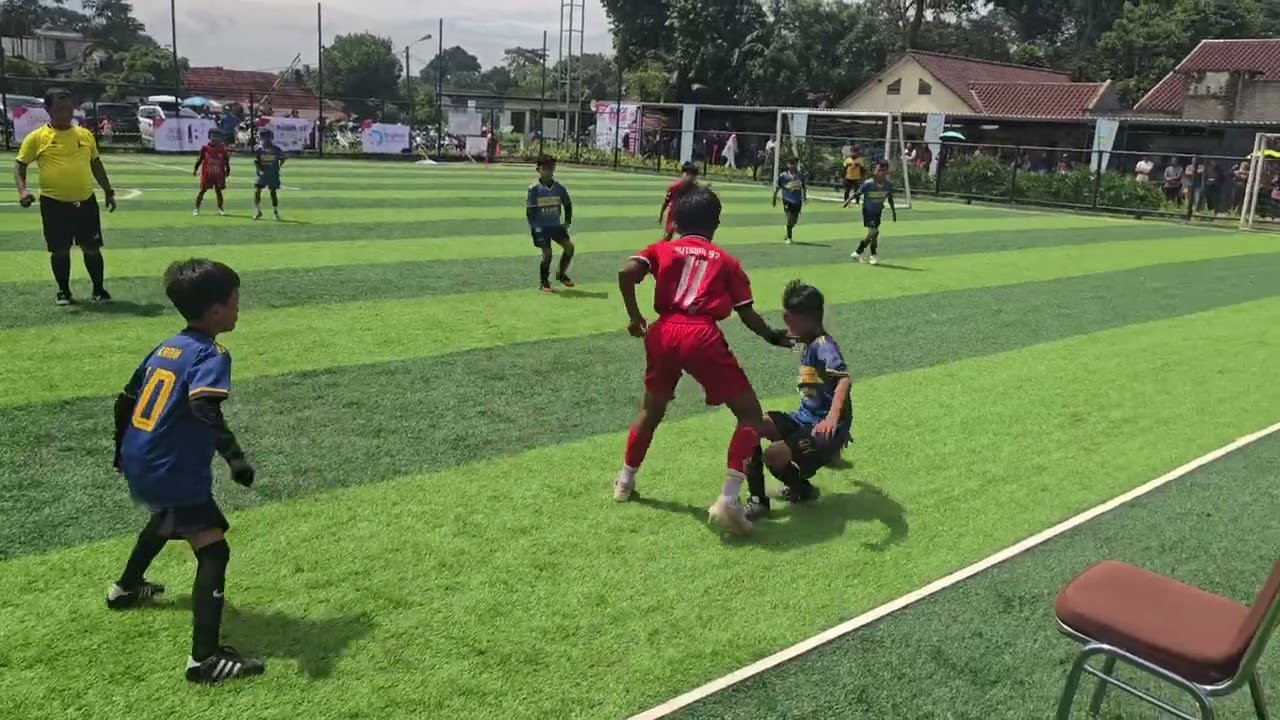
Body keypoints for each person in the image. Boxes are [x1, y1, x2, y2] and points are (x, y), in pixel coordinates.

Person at [110, 258, 264, 684]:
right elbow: (203, 406)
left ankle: (125, 587)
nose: (238, 310)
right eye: (235, 302)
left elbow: (124, 400)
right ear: (215, 310)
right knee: (213, 550)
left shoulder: (167, 347)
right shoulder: (212, 353)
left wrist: (120, 452)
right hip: (171, 467)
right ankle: (205, 660)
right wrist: (235, 458)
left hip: (140, 456)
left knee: (166, 518)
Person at [613, 186, 792, 535]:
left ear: (675, 221)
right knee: (750, 416)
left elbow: (626, 272)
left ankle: (624, 481)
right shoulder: (725, 260)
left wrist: (636, 318)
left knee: (651, 410)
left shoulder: (662, 249)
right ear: (715, 224)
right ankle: (727, 498)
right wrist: (773, 336)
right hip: (701, 335)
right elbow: (747, 313)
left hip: (663, 332)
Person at [744, 280, 852, 521]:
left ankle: (803, 491)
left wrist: (833, 420)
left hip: (822, 426)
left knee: (773, 455)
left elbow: (843, 380)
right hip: (804, 418)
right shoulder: (804, 338)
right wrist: (764, 330)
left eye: (788, 317)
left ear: (807, 319)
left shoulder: (824, 346)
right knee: (751, 426)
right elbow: (779, 337)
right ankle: (759, 501)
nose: (784, 321)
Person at [13, 87, 118, 306]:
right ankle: (64, 292)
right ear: (48, 110)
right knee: (59, 250)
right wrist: (23, 190)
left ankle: (99, 290)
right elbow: (20, 164)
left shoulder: (85, 135)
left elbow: (95, 164)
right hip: (54, 204)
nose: (66, 113)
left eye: (69, 108)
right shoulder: (37, 138)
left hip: (86, 202)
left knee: (92, 248)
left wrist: (108, 191)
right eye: (60, 109)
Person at [526, 155, 576, 292]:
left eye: (550, 168)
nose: (548, 171)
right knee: (547, 254)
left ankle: (561, 274)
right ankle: (544, 283)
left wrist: (566, 222)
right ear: (538, 170)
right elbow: (530, 212)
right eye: (545, 168)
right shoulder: (534, 189)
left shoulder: (559, 188)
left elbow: (568, 204)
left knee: (569, 248)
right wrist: (534, 228)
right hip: (540, 228)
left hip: (555, 226)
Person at [852, 161, 897, 265]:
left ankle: (858, 252)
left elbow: (890, 198)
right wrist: (847, 201)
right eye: (879, 170)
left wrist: (894, 212)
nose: (881, 172)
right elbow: (858, 192)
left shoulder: (888, 185)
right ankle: (872, 256)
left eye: (884, 170)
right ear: (875, 171)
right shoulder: (869, 183)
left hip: (878, 212)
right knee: (874, 232)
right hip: (868, 211)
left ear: (887, 171)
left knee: (873, 235)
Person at [193, 130, 230, 216]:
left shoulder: (223, 150)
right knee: (202, 190)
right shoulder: (205, 148)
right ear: (210, 137)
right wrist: (195, 169)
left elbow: (226, 161)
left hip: (218, 174)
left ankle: (220, 208)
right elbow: (200, 159)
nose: (215, 138)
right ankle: (196, 208)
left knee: (218, 191)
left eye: (217, 137)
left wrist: (228, 170)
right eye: (213, 136)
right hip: (207, 174)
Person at [659, 161, 700, 241]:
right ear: (684, 174)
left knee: (687, 235)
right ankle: (662, 250)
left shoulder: (696, 188)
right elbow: (666, 201)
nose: (692, 178)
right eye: (689, 175)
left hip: (687, 214)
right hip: (674, 214)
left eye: (694, 176)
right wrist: (661, 213)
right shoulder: (674, 187)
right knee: (668, 236)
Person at [253, 130, 286, 220]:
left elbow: (283, 158)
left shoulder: (276, 149)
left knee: (273, 192)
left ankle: (275, 211)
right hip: (262, 175)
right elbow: (257, 161)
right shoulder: (259, 149)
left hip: (273, 174)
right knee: (257, 191)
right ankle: (258, 211)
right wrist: (258, 171)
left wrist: (278, 167)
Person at [773, 157, 807, 245]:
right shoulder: (783, 176)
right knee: (789, 218)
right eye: (790, 163)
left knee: (794, 221)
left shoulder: (800, 175)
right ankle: (789, 237)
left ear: (796, 164)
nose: (791, 165)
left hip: (797, 200)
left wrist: (805, 197)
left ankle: (788, 229)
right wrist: (774, 198)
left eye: (793, 163)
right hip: (787, 200)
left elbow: (804, 187)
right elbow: (778, 187)